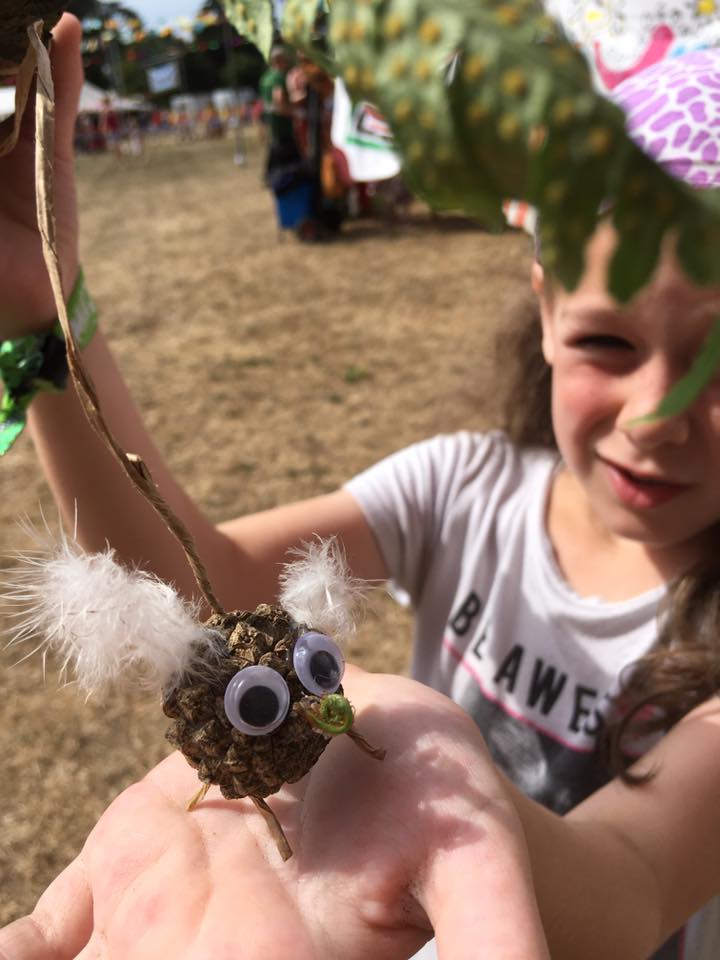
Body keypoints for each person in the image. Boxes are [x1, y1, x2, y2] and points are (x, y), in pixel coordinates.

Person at [1, 14, 720, 960]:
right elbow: (196, 580)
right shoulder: (463, 488)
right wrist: (47, 320)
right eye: (609, 342)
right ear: (544, 305)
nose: (655, 416)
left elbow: (631, 884)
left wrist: (422, 766)